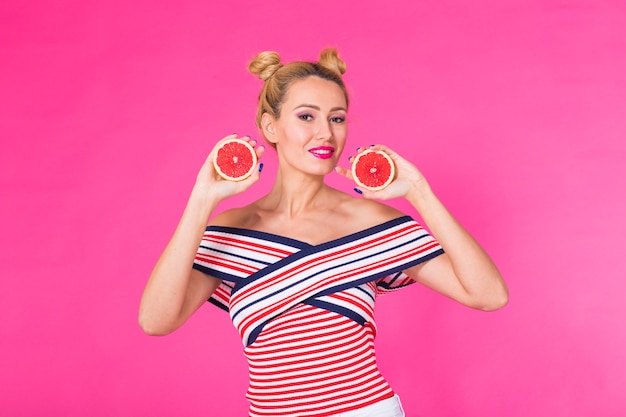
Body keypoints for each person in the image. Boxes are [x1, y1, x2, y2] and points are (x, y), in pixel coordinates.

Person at [139, 48, 508, 417]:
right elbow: (156, 321)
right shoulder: (232, 231)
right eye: (306, 116)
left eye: (337, 118)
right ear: (271, 127)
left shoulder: (371, 223)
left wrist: (420, 191)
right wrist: (200, 203)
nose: (325, 133)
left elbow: (489, 295)